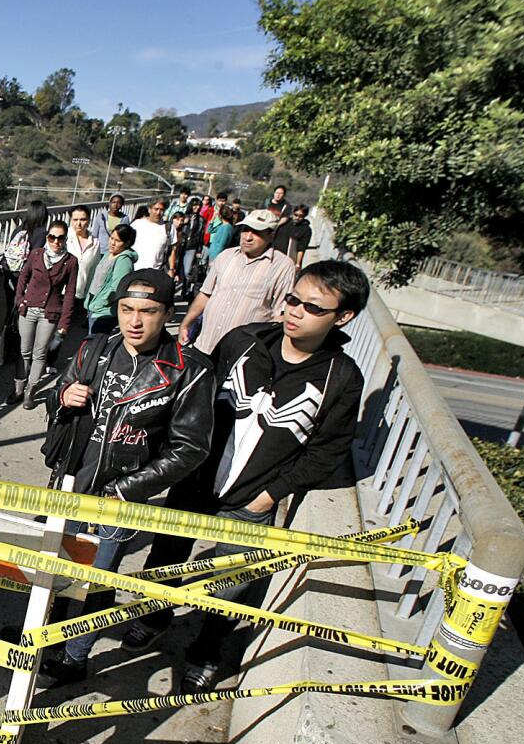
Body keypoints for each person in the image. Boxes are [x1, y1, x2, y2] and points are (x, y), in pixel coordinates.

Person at [120, 261, 371, 689]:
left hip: (251, 503)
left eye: (312, 307)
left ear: (342, 317)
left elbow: (326, 449)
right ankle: (154, 616)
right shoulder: (243, 341)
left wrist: (270, 496)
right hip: (195, 482)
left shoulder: (341, 378)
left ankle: (204, 653)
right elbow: (193, 401)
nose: (294, 311)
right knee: (164, 559)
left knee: (232, 588)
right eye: (292, 299)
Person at [36, 269, 215, 687]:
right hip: (69, 484)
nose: (134, 321)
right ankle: (45, 641)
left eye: (148, 311)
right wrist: (63, 396)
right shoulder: (95, 349)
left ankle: (74, 657)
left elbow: (190, 448)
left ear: (168, 313)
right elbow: (53, 397)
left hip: (119, 498)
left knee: (96, 581)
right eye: (126, 309)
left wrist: (125, 491)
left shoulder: (189, 370)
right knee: (55, 570)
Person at [180, 209, 297, 356]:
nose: (248, 237)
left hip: (240, 355)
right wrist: (186, 323)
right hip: (204, 345)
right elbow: (205, 294)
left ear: (271, 235)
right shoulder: (226, 256)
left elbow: (280, 314)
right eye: (245, 230)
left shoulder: (283, 266)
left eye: (256, 232)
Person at [10, 219, 78, 409]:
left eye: (60, 238)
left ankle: (30, 393)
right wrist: (19, 299)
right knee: (24, 351)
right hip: (28, 308)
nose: (56, 242)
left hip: (50, 312)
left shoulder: (71, 262)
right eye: (52, 237)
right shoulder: (36, 254)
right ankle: (18, 389)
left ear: (66, 239)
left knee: (40, 354)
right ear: (47, 237)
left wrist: (64, 322)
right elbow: (24, 276)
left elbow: (70, 293)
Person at [52, 204, 104, 371]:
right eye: (75, 220)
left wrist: (90, 294)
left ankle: (51, 360)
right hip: (58, 291)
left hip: (78, 293)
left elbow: (93, 270)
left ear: (89, 221)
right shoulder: (62, 238)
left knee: (63, 329)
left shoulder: (94, 242)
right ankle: (42, 359)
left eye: (83, 220)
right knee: (50, 327)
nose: (79, 224)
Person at [0, 201, 48, 365]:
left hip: (9, 276)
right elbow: (36, 259)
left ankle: (4, 351)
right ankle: (17, 353)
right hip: (25, 281)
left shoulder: (18, 230)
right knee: (23, 316)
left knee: (10, 313)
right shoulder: (42, 233)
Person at [83, 224, 138, 336]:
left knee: (95, 344)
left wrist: (102, 302)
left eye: (117, 241)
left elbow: (118, 287)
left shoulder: (123, 260)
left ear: (127, 243)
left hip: (104, 311)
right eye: (111, 238)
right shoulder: (108, 254)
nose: (112, 243)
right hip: (94, 306)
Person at [130, 198, 168, 270]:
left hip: (154, 271)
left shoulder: (168, 228)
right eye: (156, 209)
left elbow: (172, 250)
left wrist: (171, 269)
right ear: (149, 209)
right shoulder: (137, 224)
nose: (158, 213)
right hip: (134, 269)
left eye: (161, 210)